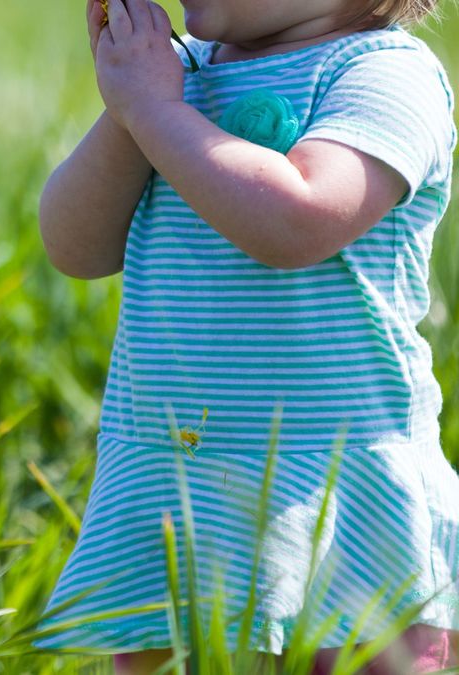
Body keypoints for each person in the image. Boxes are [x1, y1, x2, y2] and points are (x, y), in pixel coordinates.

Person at [31, 0, 459, 671]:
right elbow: (73, 245)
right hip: (174, 488)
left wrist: (155, 112)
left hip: (335, 500)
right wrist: (128, 110)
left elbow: (298, 219)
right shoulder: (177, 81)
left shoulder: (382, 75)